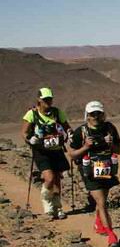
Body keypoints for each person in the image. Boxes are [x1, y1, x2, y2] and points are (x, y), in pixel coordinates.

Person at [68, 101, 120, 247]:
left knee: (102, 200)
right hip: (90, 171)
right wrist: (85, 147)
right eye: (92, 114)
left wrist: (111, 145)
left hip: (106, 168)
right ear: (87, 116)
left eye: (98, 113)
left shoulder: (110, 129)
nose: (96, 117)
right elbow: (72, 154)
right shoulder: (80, 132)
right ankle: (112, 236)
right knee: (102, 203)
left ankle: (99, 223)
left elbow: (119, 149)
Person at [20, 87, 72, 220]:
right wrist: (29, 139)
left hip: (56, 150)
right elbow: (24, 133)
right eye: (45, 100)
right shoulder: (32, 114)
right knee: (49, 178)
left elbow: (66, 126)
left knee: (57, 179)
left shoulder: (57, 112)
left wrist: (70, 134)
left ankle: (58, 207)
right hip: (41, 151)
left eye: (50, 99)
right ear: (39, 100)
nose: (48, 102)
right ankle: (47, 204)